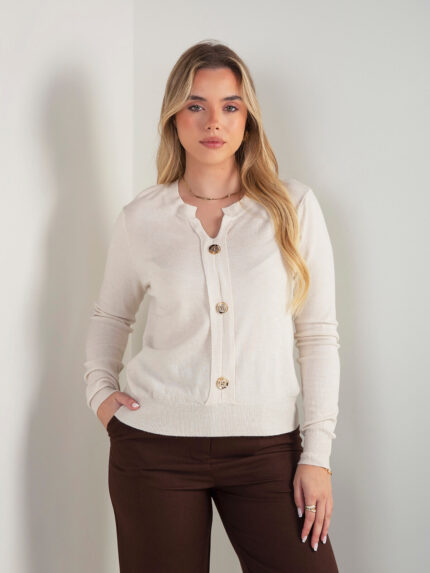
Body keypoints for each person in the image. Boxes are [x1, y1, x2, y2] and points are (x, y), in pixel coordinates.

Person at [84, 39, 341, 573]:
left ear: (248, 119)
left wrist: (316, 456)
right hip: (153, 450)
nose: (213, 121)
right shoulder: (142, 218)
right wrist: (101, 396)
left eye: (230, 106)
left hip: (267, 451)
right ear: (174, 118)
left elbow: (317, 334)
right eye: (196, 105)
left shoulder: (292, 207)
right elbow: (111, 316)